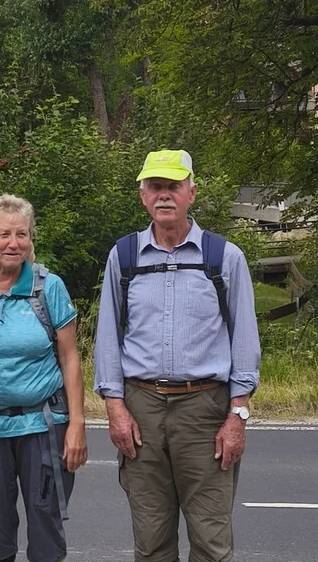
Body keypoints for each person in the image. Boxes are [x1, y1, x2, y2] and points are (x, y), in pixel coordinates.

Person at [94, 150, 260, 562]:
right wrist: (115, 408)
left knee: (211, 540)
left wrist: (237, 416)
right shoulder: (125, 256)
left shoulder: (224, 257)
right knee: (151, 541)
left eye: (173, 186)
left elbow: (245, 339)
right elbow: (108, 337)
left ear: (192, 193)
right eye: (156, 187)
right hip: (141, 408)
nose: (164, 196)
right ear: (142, 195)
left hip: (205, 408)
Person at [0, 194, 86, 562]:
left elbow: (70, 357)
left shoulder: (47, 287)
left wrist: (77, 425)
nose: (14, 243)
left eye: (22, 234)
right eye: (5, 234)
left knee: (46, 527)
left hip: (44, 424)